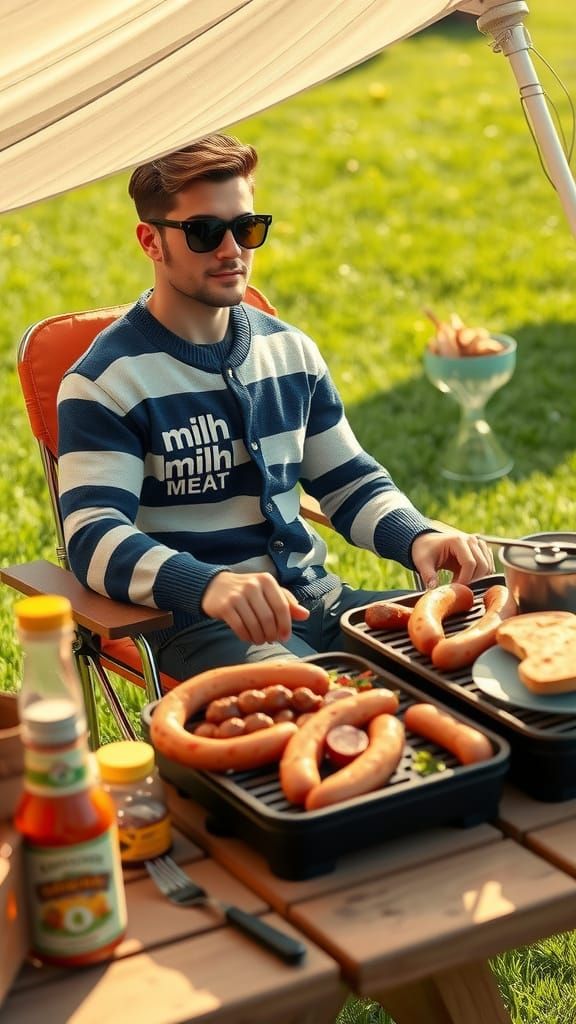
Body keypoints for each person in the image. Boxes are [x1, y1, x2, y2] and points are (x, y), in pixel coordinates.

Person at [57, 133, 493, 681]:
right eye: (204, 232)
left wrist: (419, 535)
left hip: (325, 605)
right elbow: (93, 535)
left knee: (502, 631)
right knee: (331, 702)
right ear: (150, 240)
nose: (231, 250)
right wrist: (208, 585)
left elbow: (349, 483)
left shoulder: (289, 351)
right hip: (202, 627)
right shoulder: (105, 383)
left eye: (246, 228)